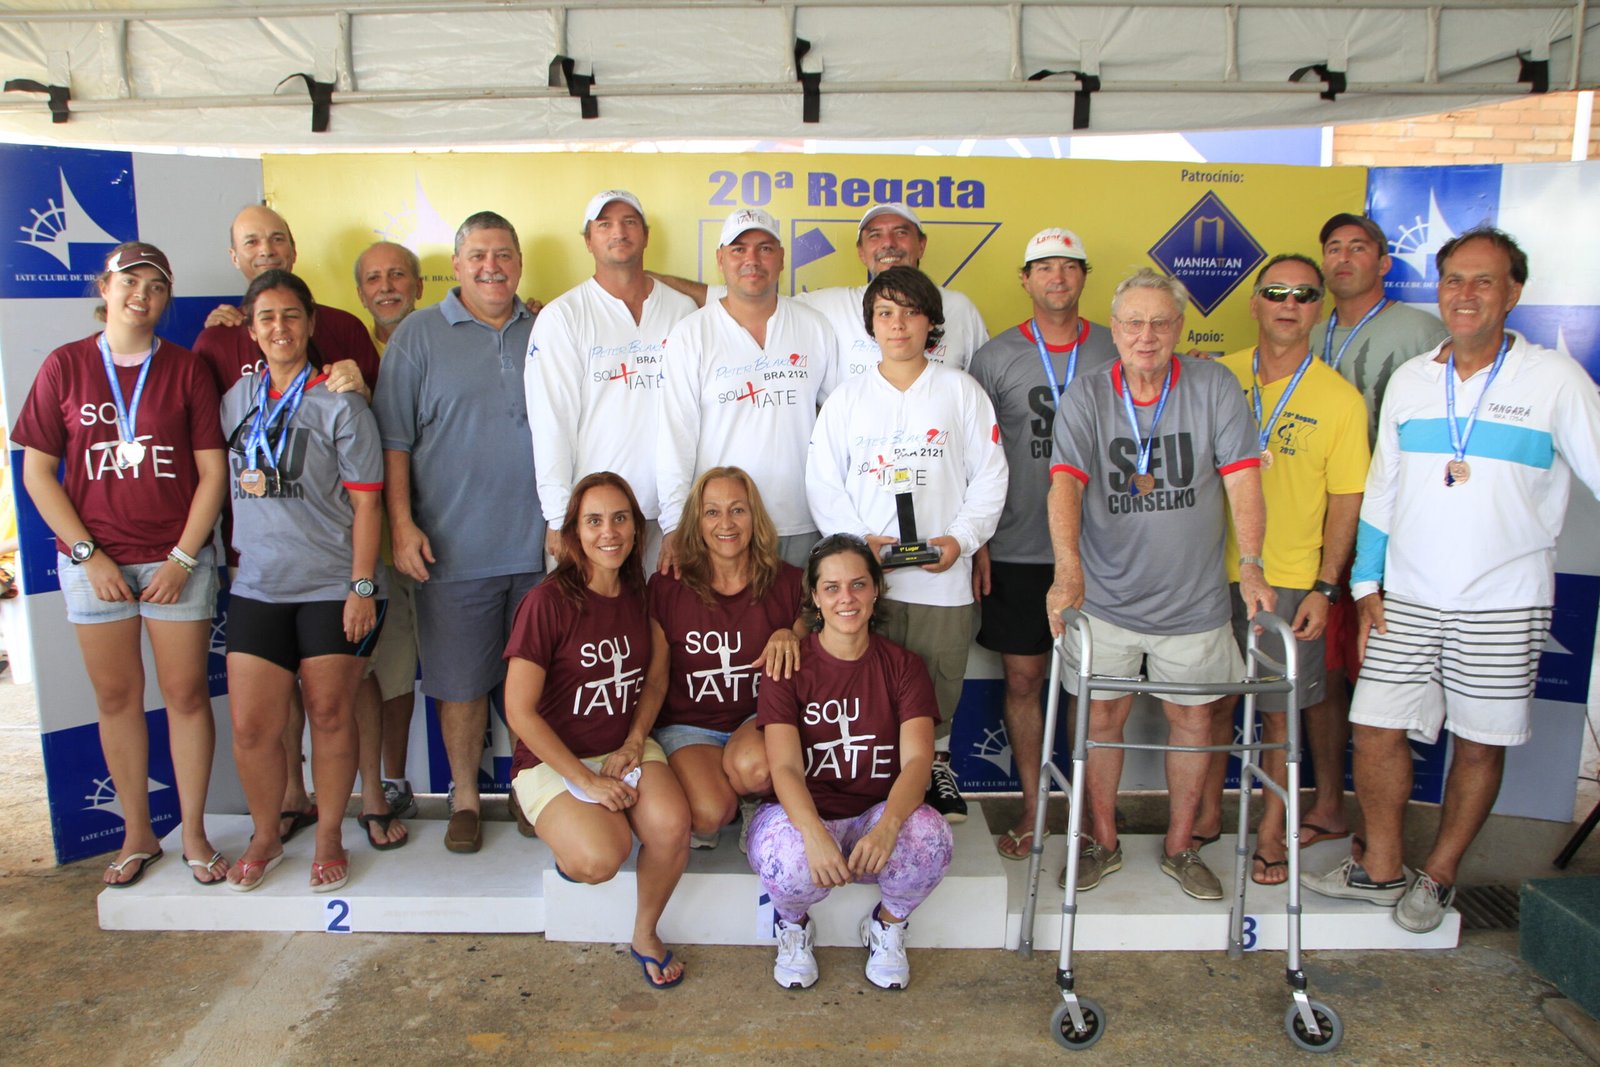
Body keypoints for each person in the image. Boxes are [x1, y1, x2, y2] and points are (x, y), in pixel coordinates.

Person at [1304, 228, 1600, 933]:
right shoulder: (1412, 378)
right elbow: (1382, 489)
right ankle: (1380, 868)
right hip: (1405, 595)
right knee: (1374, 728)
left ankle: (1437, 876)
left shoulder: (1556, 380)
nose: (1465, 294)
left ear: (1514, 293)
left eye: (1484, 281)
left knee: (1478, 740)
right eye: (1453, 280)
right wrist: (1366, 586)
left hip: (1505, 600)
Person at [1045, 267, 1273, 901]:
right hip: (1106, 597)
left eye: (1159, 323)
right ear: (1114, 329)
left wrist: (1251, 563)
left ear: (1179, 327)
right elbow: (1064, 485)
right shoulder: (1088, 394)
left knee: (1193, 721)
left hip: (1193, 601)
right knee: (1100, 716)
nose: (1146, 336)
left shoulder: (1213, 385)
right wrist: (1068, 572)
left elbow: (1242, 478)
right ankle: (1101, 840)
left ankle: (1181, 846)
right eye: (1133, 323)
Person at [15, 242, 228, 887]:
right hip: (94, 566)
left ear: (166, 298)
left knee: (186, 695)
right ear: (103, 288)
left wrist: (182, 558)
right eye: (130, 281)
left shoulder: (186, 369)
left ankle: (193, 833)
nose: (142, 294)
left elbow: (213, 473)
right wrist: (89, 555)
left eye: (156, 286)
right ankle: (138, 834)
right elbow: (37, 472)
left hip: (177, 561)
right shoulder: (65, 365)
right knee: (116, 698)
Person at [195, 204, 380, 841]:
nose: (280, 328)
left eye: (291, 316)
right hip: (257, 585)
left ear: (311, 324)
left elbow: (367, 504)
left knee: (330, 716)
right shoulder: (234, 401)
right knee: (252, 726)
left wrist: (362, 586)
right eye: (267, 318)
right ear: (250, 330)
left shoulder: (341, 402)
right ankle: (266, 836)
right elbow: (211, 473)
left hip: (330, 584)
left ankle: (328, 836)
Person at [806, 266, 1008, 824]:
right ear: (870, 324)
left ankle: (935, 768)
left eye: (911, 312)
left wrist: (961, 540)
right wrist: (857, 547)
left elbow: (991, 476)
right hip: (870, 583)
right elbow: (823, 483)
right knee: (868, 685)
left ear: (932, 323)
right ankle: (875, 779)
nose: (898, 325)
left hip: (942, 580)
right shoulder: (847, 400)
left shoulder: (961, 392)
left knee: (939, 681)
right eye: (885, 313)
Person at [372, 211, 545, 853]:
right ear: (457, 266)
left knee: (535, 686)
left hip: (540, 551)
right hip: (452, 550)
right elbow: (393, 442)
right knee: (461, 686)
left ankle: (532, 790)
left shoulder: (547, 327)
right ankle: (466, 798)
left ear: (519, 262)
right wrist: (400, 524)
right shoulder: (417, 336)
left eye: (503, 254)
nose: (491, 267)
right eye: (478, 256)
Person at [1200, 255, 1369, 885]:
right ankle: (1205, 814)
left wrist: (1326, 586)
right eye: (1276, 292)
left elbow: (1347, 500)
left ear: (1319, 308)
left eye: (1303, 294)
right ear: (1255, 303)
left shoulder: (1340, 399)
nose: (1289, 304)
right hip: (1205, 572)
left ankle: (1271, 831)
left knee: (1277, 717)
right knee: (1208, 704)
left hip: (1289, 579)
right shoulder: (1216, 376)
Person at [504, 472, 690, 989]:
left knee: (673, 827)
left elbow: (656, 679)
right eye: (594, 521)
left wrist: (634, 742)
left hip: (623, 748)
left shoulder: (640, 594)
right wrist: (586, 781)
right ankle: (567, 836)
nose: (609, 532)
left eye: (620, 519)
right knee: (601, 857)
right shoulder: (546, 603)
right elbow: (519, 711)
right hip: (554, 759)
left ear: (636, 529)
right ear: (574, 532)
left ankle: (645, 934)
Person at [1301, 213, 1450, 849]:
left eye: (1358, 247)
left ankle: (1380, 826)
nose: (1343, 258)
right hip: (1319, 527)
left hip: (1390, 530)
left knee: (1381, 676)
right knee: (1324, 675)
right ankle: (1329, 803)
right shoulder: (1311, 326)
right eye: (1333, 248)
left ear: (1384, 262)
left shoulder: (1421, 331)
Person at [748, 533, 954, 990]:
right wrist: (813, 833)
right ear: (815, 598)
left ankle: (888, 924)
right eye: (832, 587)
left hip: (873, 815)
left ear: (876, 590)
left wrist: (889, 826)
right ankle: (792, 925)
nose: (847, 598)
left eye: (858, 584)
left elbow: (918, 761)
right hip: (808, 812)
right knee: (788, 858)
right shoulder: (789, 665)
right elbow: (784, 768)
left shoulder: (903, 666)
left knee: (931, 837)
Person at [968, 227, 1117, 858]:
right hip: (1018, 547)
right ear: (1025, 279)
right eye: (1045, 267)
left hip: (1103, 548)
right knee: (1025, 679)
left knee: (1095, 687)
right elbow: (974, 458)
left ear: (1084, 276)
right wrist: (978, 540)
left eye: (1070, 266)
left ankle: (1090, 817)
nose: (1058, 277)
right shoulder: (995, 357)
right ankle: (1035, 808)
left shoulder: (1117, 346)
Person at [656, 208, 838, 574]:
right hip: (720, 529)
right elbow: (675, 435)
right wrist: (674, 522)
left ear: (782, 258)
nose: (752, 259)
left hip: (802, 520)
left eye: (764, 248)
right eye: (738, 249)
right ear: (720, 259)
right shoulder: (691, 335)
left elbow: (840, 423)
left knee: (797, 613)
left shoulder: (814, 327)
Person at [527, 190, 695, 572]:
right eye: (605, 224)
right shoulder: (562, 317)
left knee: (663, 611)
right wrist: (558, 515)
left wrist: (680, 516)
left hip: (669, 515)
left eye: (629, 222)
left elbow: (690, 416)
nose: (618, 232)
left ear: (646, 235)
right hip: (593, 521)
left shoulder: (681, 310)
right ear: (588, 240)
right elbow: (551, 421)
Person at [648, 466, 805, 848]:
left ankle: (758, 803)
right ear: (697, 522)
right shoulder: (667, 586)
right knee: (707, 815)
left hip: (756, 717)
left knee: (755, 769)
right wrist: (636, 738)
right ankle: (723, 789)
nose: (726, 523)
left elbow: (813, 636)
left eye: (738, 510)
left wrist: (791, 633)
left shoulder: (787, 581)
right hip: (689, 724)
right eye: (712, 512)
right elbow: (655, 678)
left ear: (755, 516)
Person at [654, 202, 989, 381]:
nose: (888, 243)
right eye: (875, 235)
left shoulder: (959, 309)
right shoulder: (830, 305)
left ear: (922, 244)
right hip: (861, 472)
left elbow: (985, 391)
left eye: (901, 233)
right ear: (861, 252)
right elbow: (748, 297)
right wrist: (643, 279)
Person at [351, 240, 426, 841]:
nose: (386, 286)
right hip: (374, 541)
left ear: (421, 285)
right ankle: (389, 781)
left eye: (398, 275)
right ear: (359, 292)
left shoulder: (445, 337)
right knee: (386, 666)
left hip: (450, 531)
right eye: (374, 278)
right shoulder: (344, 347)